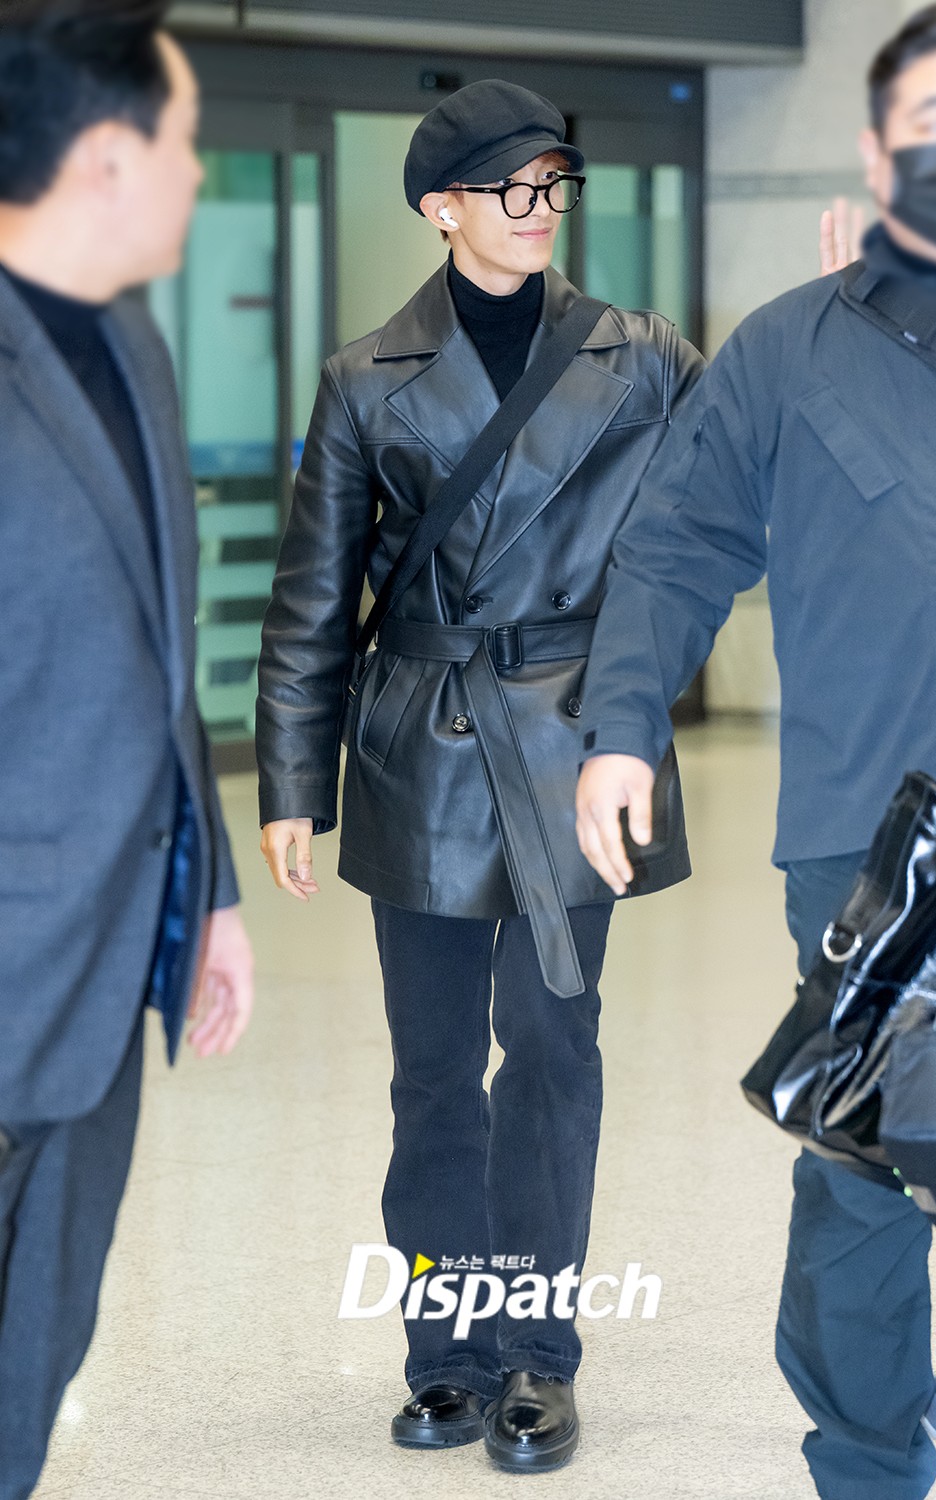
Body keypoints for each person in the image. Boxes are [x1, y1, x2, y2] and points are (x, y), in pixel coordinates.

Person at [576, 6, 936, 1498]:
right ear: (879, 156)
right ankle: (869, 1461)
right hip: (875, 846)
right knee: (872, 1170)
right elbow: (677, 545)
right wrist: (621, 728)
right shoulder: (787, 351)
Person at [256, 78, 702, 1472]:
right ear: (441, 209)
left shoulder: (645, 358)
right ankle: (444, 1352)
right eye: (513, 187)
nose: (540, 207)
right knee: (436, 1069)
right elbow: (313, 596)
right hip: (425, 747)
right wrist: (292, 782)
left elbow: (732, 499)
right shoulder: (364, 377)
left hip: (578, 740)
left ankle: (537, 1358)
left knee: (554, 1052)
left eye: (554, 183)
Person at [0, 5, 255, 1496]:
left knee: (39, 1346)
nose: (199, 171)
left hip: (106, 967)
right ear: (105, 157)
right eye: (185, 138)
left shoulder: (133, 343)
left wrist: (205, 891)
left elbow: (162, 658)